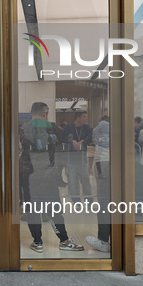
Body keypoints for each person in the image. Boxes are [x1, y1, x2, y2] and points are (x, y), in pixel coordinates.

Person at [21, 102, 84, 253]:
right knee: (54, 209)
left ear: (31, 112)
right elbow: (59, 150)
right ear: (44, 112)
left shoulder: (23, 128)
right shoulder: (52, 127)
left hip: (29, 175)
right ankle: (64, 240)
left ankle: (37, 242)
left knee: (32, 210)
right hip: (48, 175)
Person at [86, 116, 111, 253]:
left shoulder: (97, 129)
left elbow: (95, 141)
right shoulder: (118, 129)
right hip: (118, 162)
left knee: (103, 203)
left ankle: (102, 241)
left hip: (102, 164)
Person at [62, 110, 93, 203]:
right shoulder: (68, 127)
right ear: (78, 118)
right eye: (84, 117)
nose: (86, 119)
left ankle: (89, 202)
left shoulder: (87, 128)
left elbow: (90, 137)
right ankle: (76, 202)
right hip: (70, 160)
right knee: (72, 183)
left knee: (86, 182)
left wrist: (82, 142)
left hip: (82, 160)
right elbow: (63, 138)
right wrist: (72, 141)